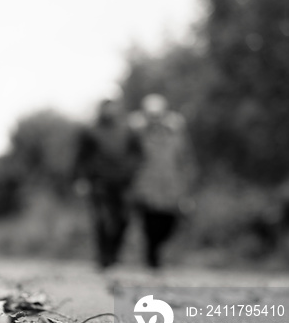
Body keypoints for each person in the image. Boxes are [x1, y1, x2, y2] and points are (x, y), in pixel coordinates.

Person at [72, 99, 144, 269]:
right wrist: (80, 179)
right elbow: (80, 158)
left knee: (123, 219)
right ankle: (104, 257)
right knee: (101, 219)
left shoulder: (128, 131)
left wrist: (130, 170)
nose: (109, 111)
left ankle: (114, 254)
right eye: (106, 107)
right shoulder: (90, 131)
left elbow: (139, 154)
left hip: (123, 182)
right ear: (101, 109)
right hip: (98, 182)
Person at [130, 94, 197, 269]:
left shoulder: (175, 134)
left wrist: (187, 184)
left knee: (169, 223)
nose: (155, 119)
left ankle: (156, 250)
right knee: (149, 223)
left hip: (171, 187)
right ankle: (151, 257)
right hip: (147, 187)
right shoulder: (138, 134)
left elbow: (185, 160)